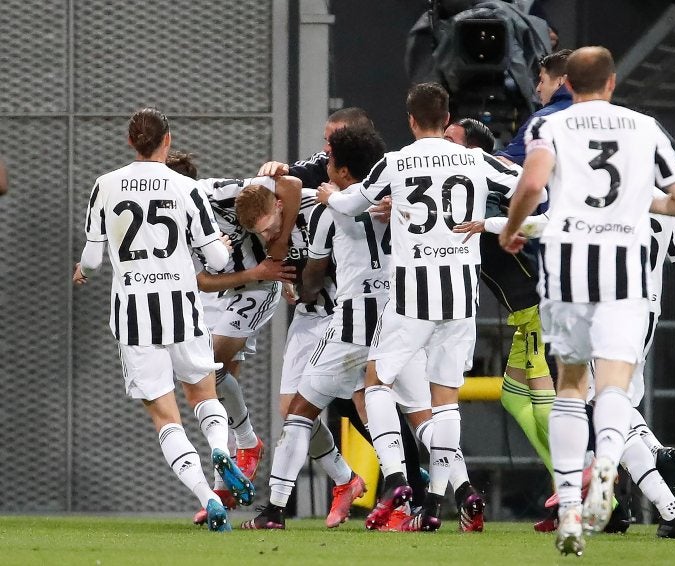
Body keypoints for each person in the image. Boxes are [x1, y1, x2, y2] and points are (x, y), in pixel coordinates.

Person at [499, 46, 675, 556]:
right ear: (611, 83)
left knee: (571, 384)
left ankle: (570, 507)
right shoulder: (645, 127)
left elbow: (532, 182)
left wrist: (512, 227)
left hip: (568, 268)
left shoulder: (552, 126)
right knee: (614, 385)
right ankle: (608, 460)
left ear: (568, 83)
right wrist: (641, 199)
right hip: (625, 273)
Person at [317, 82, 524, 531]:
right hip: (461, 295)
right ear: (446, 120)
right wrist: (492, 224)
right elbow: (534, 193)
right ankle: (436, 503)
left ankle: (396, 478)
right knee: (445, 401)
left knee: (376, 383)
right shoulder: (476, 159)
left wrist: (330, 198)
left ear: (411, 121)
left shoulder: (396, 162)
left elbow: (355, 201)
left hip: (412, 294)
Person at [71, 107, 254, 532]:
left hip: (134, 313)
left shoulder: (106, 185)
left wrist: (82, 268)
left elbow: (94, 257)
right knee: (204, 394)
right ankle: (218, 448)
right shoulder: (186, 188)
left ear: (130, 142)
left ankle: (207, 498)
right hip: (182, 306)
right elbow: (217, 259)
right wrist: (224, 245)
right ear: (167, 142)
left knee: (165, 418)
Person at [257, 108, 431, 512]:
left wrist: (298, 286)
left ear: (345, 168)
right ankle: (438, 493)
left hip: (350, 321)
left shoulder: (328, 208)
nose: (325, 156)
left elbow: (314, 278)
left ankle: (274, 510)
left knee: (301, 411)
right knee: (417, 414)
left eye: (331, 152)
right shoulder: (401, 198)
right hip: (400, 319)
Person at [165, 150, 298, 523]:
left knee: (211, 368)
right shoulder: (173, 223)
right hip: (232, 285)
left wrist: (280, 247)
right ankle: (223, 491)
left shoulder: (220, 193)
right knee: (216, 390)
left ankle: (247, 442)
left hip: (260, 284)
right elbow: (202, 280)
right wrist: (253, 270)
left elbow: (288, 185)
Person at [447, 118, 558, 530]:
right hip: (522, 311)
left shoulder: (489, 179)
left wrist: (492, 225)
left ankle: (574, 478)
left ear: (474, 149)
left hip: (536, 305)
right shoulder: (456, 194)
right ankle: (574, 486)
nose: (443, 145)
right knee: (513, 398)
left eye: (451, 139)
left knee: (542, 387)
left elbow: (540, 201)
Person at [495, 48, 573, 167]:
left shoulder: (544, 120)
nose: (538, 89)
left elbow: (504, 162)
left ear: (560, 81)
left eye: (542, 81)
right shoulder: (604, 117)